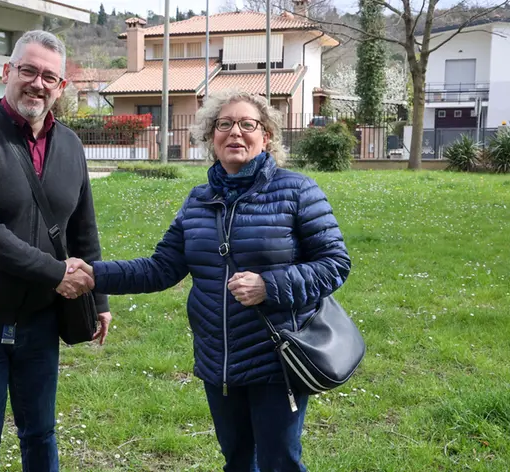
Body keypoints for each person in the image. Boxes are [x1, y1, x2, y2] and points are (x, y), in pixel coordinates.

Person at [69, 89, 351, 471]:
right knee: (236, 460)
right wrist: (94, 274)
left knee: (278, 461)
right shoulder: (198, 201)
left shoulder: (298, 191)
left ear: (265, 136)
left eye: (247, 124)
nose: (235, 132)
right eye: (224, 124)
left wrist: (270, 285)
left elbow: (334, 264)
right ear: (211, 137)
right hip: (219, 361)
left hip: (277, 356)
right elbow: (160, 268)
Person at [0, 30, 112, 471]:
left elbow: (83, 229)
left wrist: (99, 296)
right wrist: (56, 273)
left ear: (61, 87)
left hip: (39, 318)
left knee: (40, 431)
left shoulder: (70, 145)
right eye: (28, 70)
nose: (38, 83)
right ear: (7, 72)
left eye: (49, 76)